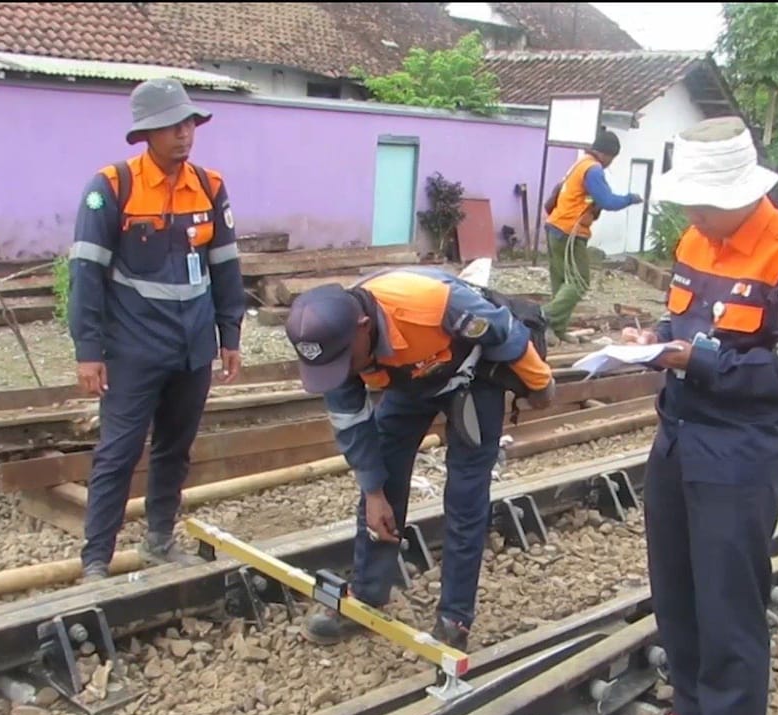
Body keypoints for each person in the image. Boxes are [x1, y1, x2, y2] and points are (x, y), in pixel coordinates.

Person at [622, 117, 778, 715]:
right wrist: (654, 339)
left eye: (701, 201)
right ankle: (690, 709)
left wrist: (701, 363)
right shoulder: (696, 237)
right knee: (677, 587)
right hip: (678, 437)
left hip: (740, 450)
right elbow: (686, 321)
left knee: (729, 600)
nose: (691, 213)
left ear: (741, 193)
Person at [284, 267, 556, 649]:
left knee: (465, 496)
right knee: (382, 490)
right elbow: (353, 428)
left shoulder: (431, 304)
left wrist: (540, 384)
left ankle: (454, 618)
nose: (342, 372)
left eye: (346, 360)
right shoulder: (333, 352)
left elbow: (507, 333)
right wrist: (374, 491)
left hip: (472, 379)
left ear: (363, 326)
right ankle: (367, 596)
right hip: (410, 384)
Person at [68, 78, 246, 582]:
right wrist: (89, 350)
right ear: (147, 133)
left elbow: (226, 267)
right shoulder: (112, 188)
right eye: (172, 126)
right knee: (118, 452)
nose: (183, 134)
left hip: (192, 349)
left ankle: (159, 540)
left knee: (174, 448)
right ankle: (95, 562)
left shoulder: (209, 187)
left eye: (188, 123)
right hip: (132, 350)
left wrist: (228, 335)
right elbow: (86, 273)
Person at [542, 129, 643, 343]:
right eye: (612, 158)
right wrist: (630, 199)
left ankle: (556, 330)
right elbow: (608, 201)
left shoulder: (580, 164)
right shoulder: (594, 169)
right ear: (607, 154)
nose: (610, 163)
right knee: (579, 282)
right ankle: (542, 320)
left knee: (561, 283)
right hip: (570, 232)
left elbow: (582, 198)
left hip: (555, 226)